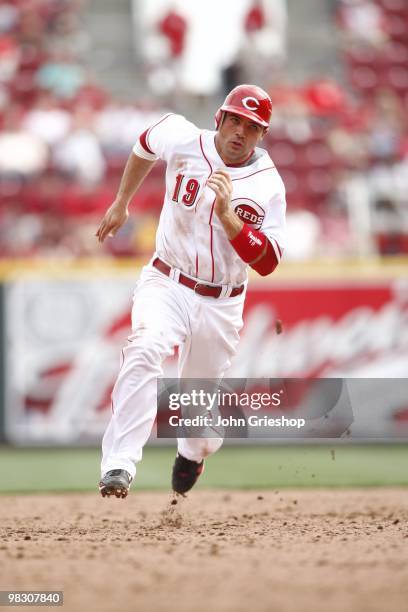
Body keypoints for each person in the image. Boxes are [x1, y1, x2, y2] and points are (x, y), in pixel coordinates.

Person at [96, 84, 286, 498]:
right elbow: (145, 144)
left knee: (198, 420)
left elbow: (269, 262)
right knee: (145, 347)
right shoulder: (182, 137)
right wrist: (122, 201)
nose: (240, 131)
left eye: (251, 126)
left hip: (221, 302)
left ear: (262, 135)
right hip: (166, 280)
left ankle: (192, 453)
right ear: (219, 117)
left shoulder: (268, 184)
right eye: (234, 119)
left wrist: (228, 218)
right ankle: (119, 464)